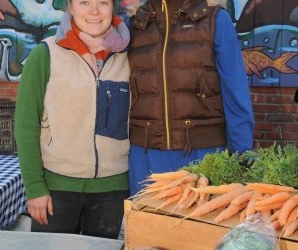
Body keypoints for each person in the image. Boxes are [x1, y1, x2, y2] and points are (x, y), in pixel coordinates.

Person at [14, 0, 131, 239]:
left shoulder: (130, 57)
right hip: (56, 188)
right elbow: (26, 124)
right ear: (70, 6)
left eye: (103, 2)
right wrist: (35, 187)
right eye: (84, 2)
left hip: (112, 189)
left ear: (113, 7)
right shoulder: (45, 54)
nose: (94, 11)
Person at [124, 0, 255, 195]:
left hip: (203, 154)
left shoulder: (215, 19)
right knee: (148, 223)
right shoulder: (133, 24)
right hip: (145, 155)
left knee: (199, 225)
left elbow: (235, 92)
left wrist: (242, 155)